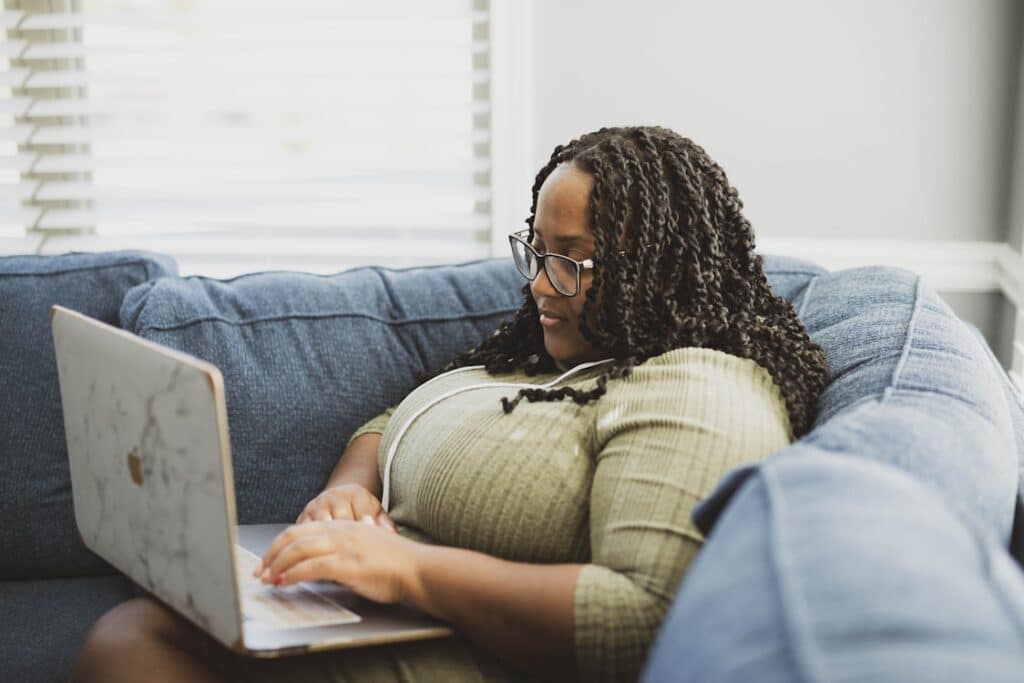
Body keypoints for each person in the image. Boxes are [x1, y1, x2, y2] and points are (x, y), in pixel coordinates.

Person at [69, 125, 829, 683]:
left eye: (570, 260)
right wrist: (347, 494)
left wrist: (407, 569)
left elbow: (644, 617)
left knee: (133, 646)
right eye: (537, 251)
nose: (538, 283)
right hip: (348, 620)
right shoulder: (544, 354)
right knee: (133, 635)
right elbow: (387, 425)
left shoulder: (700, 388)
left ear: (657, 269)